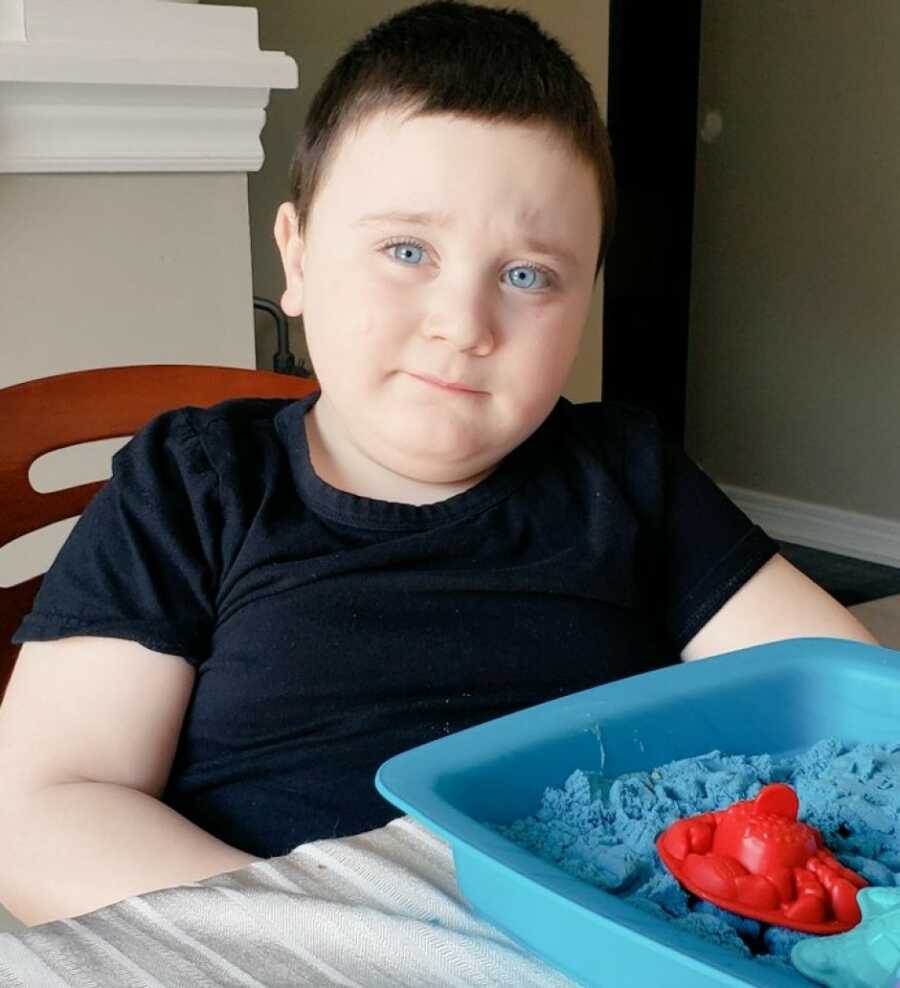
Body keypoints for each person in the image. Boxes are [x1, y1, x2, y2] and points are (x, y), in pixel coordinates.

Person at [0, 0, 877, 927]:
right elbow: (42, 810)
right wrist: (363, 938)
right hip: (266, 933)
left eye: (529, 274)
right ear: (295, 257)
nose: (464, 323)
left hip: (587, 933)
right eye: (407, 250)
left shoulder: (625, 475)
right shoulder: (195, 482)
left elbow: (837, 702)